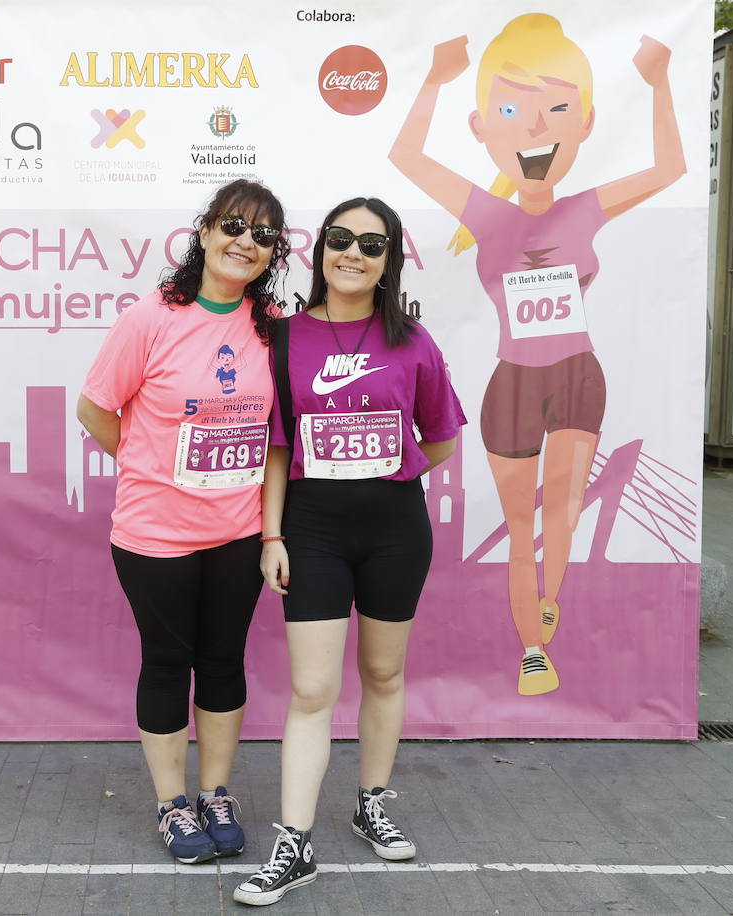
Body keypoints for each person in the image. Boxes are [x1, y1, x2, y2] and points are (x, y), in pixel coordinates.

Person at [388, 14, 686, 695]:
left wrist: (660, 80)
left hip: (577, 377)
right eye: (511, 109)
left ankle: (549, 606)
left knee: (565, 513)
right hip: (513, 384)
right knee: (523, 526)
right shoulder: (485, 214)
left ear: (583, 122)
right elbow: (406, 159)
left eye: (555, 108)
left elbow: (670, 167)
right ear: (481, 127)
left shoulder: (586, 206)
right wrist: (433, 79)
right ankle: (534, 647)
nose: (534, 128)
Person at [233, 198, 465, 906]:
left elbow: (443, 437)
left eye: (371, 242)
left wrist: (384, 468)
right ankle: (294, 843)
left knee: (385, 672)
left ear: (390, 258)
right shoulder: (283, 338)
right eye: (340, 239)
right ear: (321, 251)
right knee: (311, 690)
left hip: (396, 530)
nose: (353, 253)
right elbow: (277, 446)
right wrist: (273, 535)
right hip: (313, 532)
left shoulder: (413, 340)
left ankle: (371, 802)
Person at [77, 179, 289, 864]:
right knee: (168, 662)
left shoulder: (271, 327)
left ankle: (216, 792)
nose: (245, 242)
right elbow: (94, 409)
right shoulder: (152, 317)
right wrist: (147, 462)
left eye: (262, 236)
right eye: (233, 226)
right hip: (155, 534)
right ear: (204, 233)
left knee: (224, 662)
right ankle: (172, 803)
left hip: (236, 532)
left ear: (271, 255)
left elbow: (278, 431)